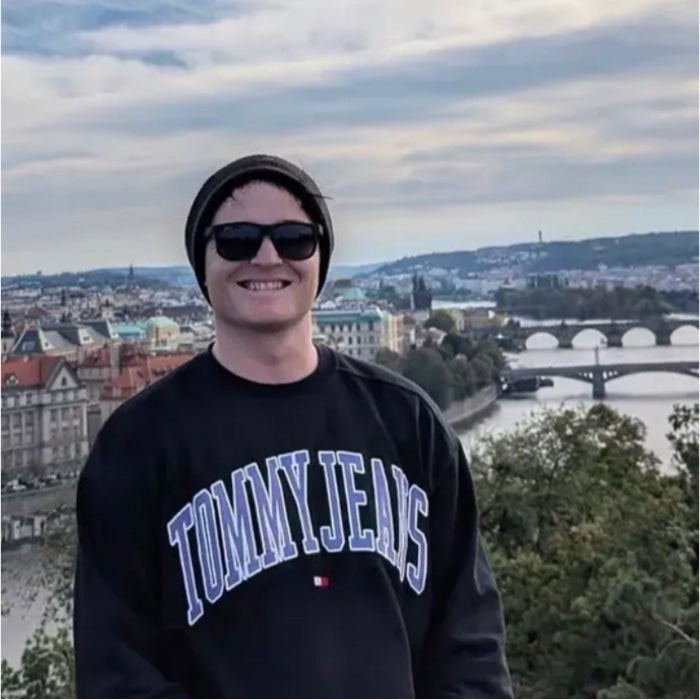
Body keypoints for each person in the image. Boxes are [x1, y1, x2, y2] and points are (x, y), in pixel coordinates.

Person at [73, 154, 512, 698]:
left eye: (294, 239)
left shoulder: (410, 421)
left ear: (319, 259)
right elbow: (116, 673)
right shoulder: (136, 444)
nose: (266, 257)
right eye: (237, 240)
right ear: (202, 263)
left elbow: (469, 643)